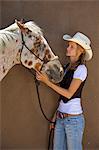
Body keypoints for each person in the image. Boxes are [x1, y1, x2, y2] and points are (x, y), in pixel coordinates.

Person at [36, 32, 93, 150]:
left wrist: (47, 82)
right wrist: (54, 117)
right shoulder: (66, 67)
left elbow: (68, 93)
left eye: (71, 46)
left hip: (73, 121)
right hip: (60, 119)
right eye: (68, 45)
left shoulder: (81, 69)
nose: (68, 48)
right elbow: (62, 97)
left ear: (80, 50)